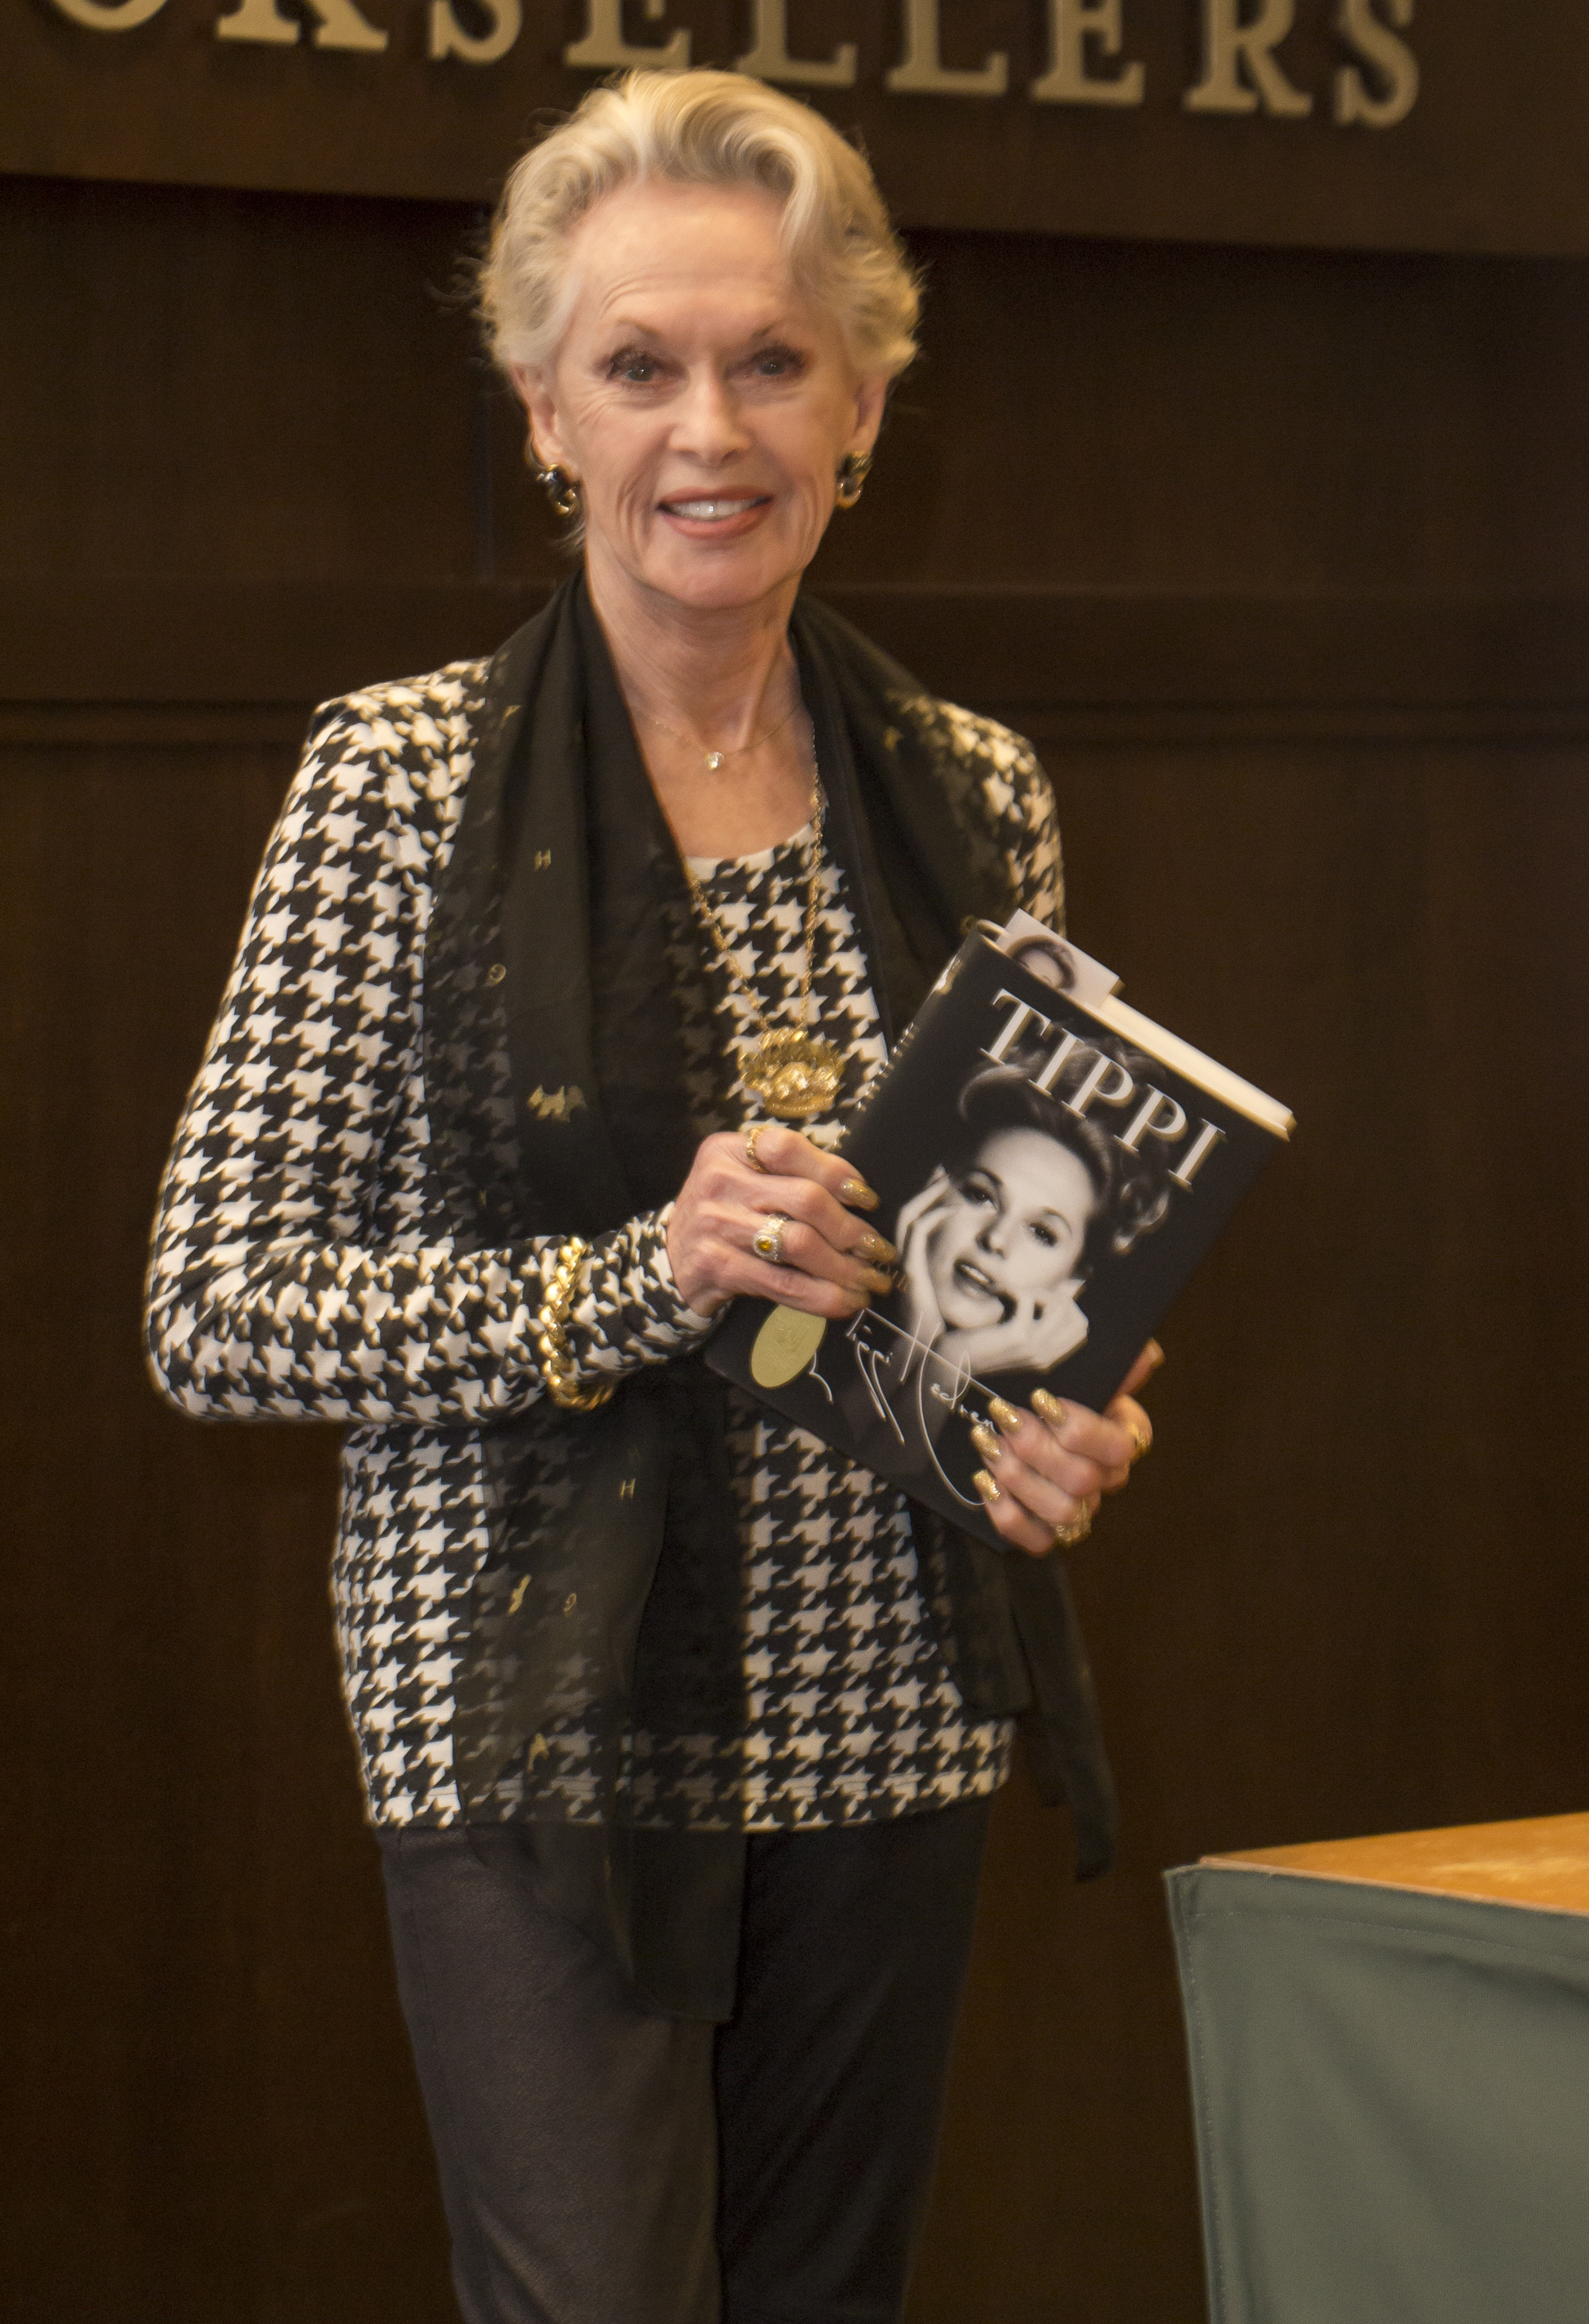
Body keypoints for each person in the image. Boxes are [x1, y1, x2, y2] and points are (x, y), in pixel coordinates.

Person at [145, 68, 1156, 2324]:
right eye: (638, 366)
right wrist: (638, 1275)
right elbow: (215, 1308)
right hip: (530, 1713)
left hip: (893, 1695)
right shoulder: (397, 780)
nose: (710, 428)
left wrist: (1060, 1419)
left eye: (770, 359)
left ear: (863, 397)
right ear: (542, 412)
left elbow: (992, 1278)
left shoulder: (971, 793)